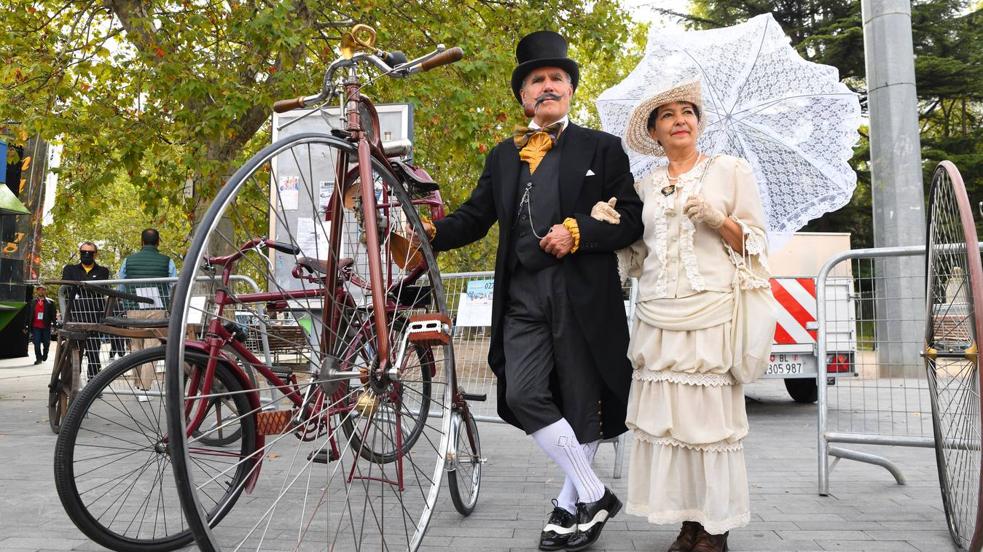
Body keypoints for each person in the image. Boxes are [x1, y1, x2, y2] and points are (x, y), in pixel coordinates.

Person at [417, 31, 643, 551]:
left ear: (570, 89)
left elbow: (631, 220)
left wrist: (580, 231)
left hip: (582, 294)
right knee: (521, 392)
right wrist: (430, 231)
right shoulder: (503, 154)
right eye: (536, 80)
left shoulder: (602, 148)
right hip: (521, 294)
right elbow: (476, 217)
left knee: (584, 406)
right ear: (523, 95)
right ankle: (595, 493)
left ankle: (569, 510)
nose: (547, 87)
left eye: (556, 79)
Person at [613, 79, 770, 552]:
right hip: (658, 317)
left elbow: (756, 245)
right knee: (672, 427)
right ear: (656, 132)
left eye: (688, 111)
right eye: (668, 115)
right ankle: (688, 521)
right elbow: (642, 257)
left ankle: (715, 527)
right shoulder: (644, 186)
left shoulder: (730, 171)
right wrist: (613, 231)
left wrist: (718, 219)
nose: (680, 119)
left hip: (711, 315)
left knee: (709, 426)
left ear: (698, 124)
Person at [118, 228, 177, 393]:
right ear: (158, 242)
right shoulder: (167, 261)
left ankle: (137, 385)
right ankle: (145, 388)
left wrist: (126, 304)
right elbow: (173, 286)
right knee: (151, 347)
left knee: (136, 346)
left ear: (141, 241)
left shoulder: (128, 261)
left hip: (134, 308)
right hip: (157, 308)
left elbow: (121, 284)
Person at [62, 241, 111, 379]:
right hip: (75, 315)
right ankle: (72, 380)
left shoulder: (103, 271)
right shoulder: (70, 269)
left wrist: (80, 288)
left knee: (94, 350)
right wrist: (88, 289)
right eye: (84, 252)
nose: (87, 255)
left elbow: (101, 290)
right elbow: (67, 289)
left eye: (90, 252)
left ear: (96, 254)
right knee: (74, 351)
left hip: (95, 316)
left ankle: (93, 381)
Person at [29, 285, 57, 364]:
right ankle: (38, 358)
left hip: (46, 326)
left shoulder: (50, 302)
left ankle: (45, 354)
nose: (41, 291)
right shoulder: (33, 302)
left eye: (43, 290)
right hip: (35, 326)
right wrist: (26, 325)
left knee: (46, 343)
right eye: (39, 290)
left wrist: (55, 326)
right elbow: (29, 314)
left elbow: (53, 315)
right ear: (37, 291)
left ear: (45, 291)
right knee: (36, 343)